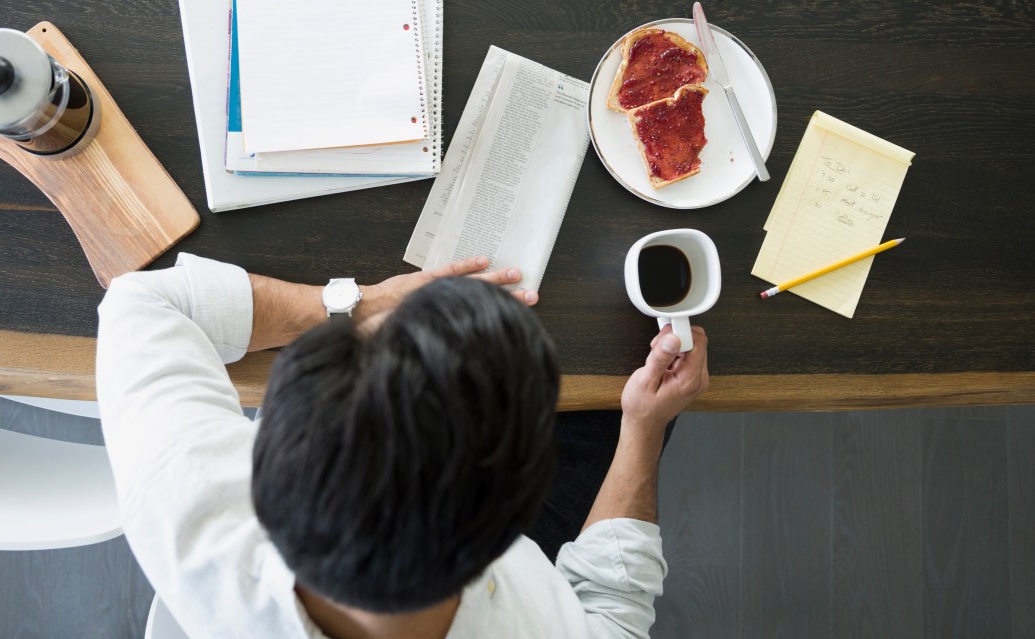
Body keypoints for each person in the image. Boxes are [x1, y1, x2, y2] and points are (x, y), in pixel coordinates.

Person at [96, 252, 709, 639]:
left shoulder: (181, 500)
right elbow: (613, 613)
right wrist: (643, 429)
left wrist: (352, 304)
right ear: (505, 535)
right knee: (607, 409)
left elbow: (141, 298)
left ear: (264, 467)